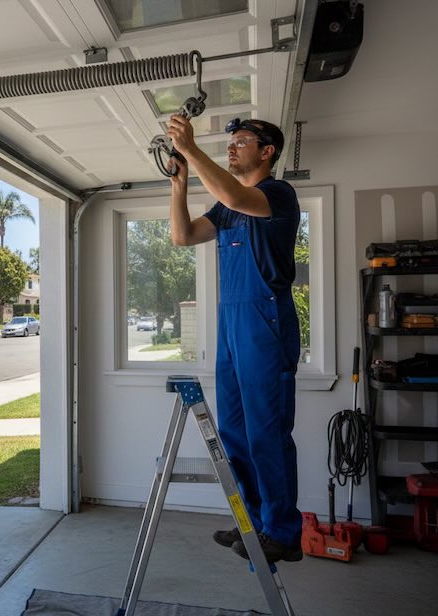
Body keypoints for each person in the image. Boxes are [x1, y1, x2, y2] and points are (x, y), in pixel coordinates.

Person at [166, 114, 302, 563]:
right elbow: (182, 236)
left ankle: (282, 531)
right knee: (235, 430)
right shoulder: (227, 210)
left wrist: (190, 149)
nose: (232, 147)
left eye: (242, 141)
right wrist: (179, 181)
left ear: (267, 152)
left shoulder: (277, 194)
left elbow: (232, 192)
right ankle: (255, 525)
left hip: (265, 318)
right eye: (231, 142)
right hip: (231, 322)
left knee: (267, 429)